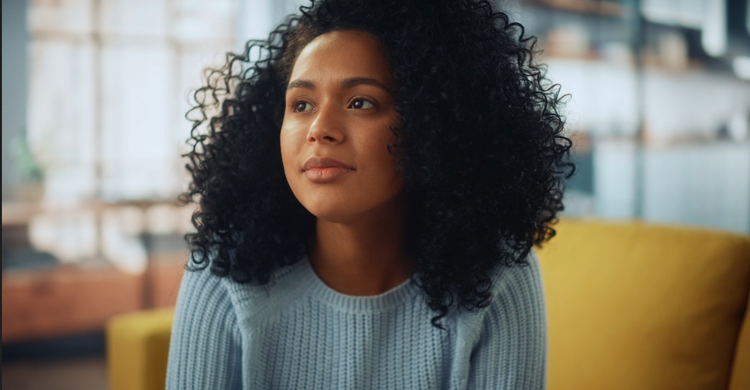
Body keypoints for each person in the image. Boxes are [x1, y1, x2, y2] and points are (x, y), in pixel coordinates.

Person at [166, 0, 573, 388]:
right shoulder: (224, 269)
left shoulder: (498, 273)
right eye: (302, 104)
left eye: (361, 102)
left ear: (433, 125)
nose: (320, 128)